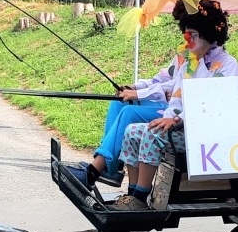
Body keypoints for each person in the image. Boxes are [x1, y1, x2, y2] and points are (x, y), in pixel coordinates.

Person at [110, 0, 238, 211]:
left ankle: (141, 199)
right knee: (133, 131)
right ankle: (132, 194)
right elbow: (177, 96)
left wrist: (178, 120)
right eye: (186, 34)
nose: (187, 39)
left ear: (209, 33)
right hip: (184, 129)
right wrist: (169, 117)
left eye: (193, 35)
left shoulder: (227, 65)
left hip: (206, 135)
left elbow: (215, 105)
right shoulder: (190, 62)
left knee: (153, 134)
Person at [67, 55, 177, 189]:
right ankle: (112, 167)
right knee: (119, 102)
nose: (187, 38)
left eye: (191, 34)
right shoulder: (184, 54)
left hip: (173, 112)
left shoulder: (202, 61)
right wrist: (133, 87)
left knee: (129, 112)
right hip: (162, 103)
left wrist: (138, 94)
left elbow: (175, 86)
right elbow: (158, 80)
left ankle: (94, 172)